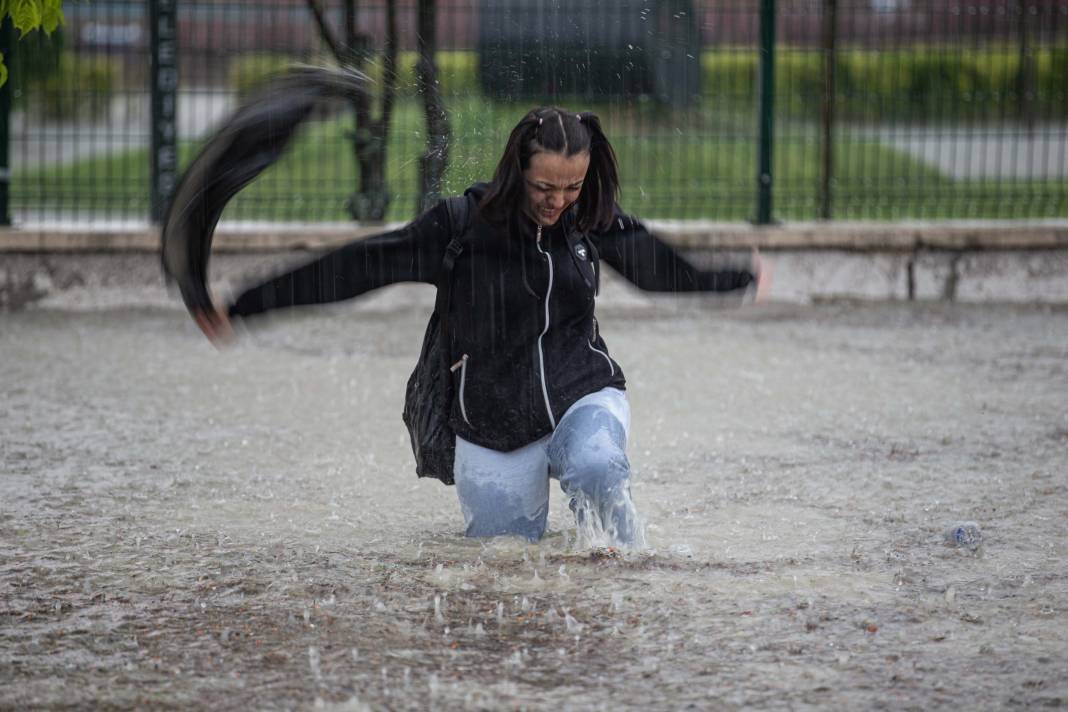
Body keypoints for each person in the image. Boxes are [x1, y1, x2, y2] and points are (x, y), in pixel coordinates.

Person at [193, 107, 763, 547]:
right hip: (491, 423)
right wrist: (244, 307)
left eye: (572, 187)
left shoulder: (590, 219)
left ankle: (624, 596)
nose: (559, 202)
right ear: (517, 170)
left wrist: (730, 280)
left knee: (597, 469)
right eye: (545, 188)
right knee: (503, 567)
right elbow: (354, 268)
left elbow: (658, 270)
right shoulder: (459, 227)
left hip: (581, 393)